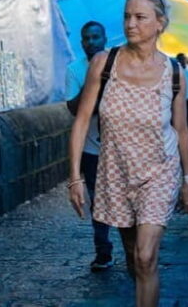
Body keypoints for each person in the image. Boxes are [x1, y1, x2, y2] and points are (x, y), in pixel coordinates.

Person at [68, 0, 188, 307]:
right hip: (116, 172)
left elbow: (181, 129)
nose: (130, 24)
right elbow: (82, 120)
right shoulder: (103, 63)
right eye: (127, 17)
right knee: (132, 258)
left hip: (159, 172)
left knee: (146, 255)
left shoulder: (174, 73)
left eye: (140, 17)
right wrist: (75, 177)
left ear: (160, 23)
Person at [65, 21, 114, 272]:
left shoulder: (120, 64)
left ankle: (137, 251)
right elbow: (74, 109)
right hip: (92, 149)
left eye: (96, 37)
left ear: (105, 39)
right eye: (87, 38)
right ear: (82, 43)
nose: (92, 42)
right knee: (98, 200)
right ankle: (103, 251)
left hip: (121, 148)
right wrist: (92, 79)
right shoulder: (74, 70)